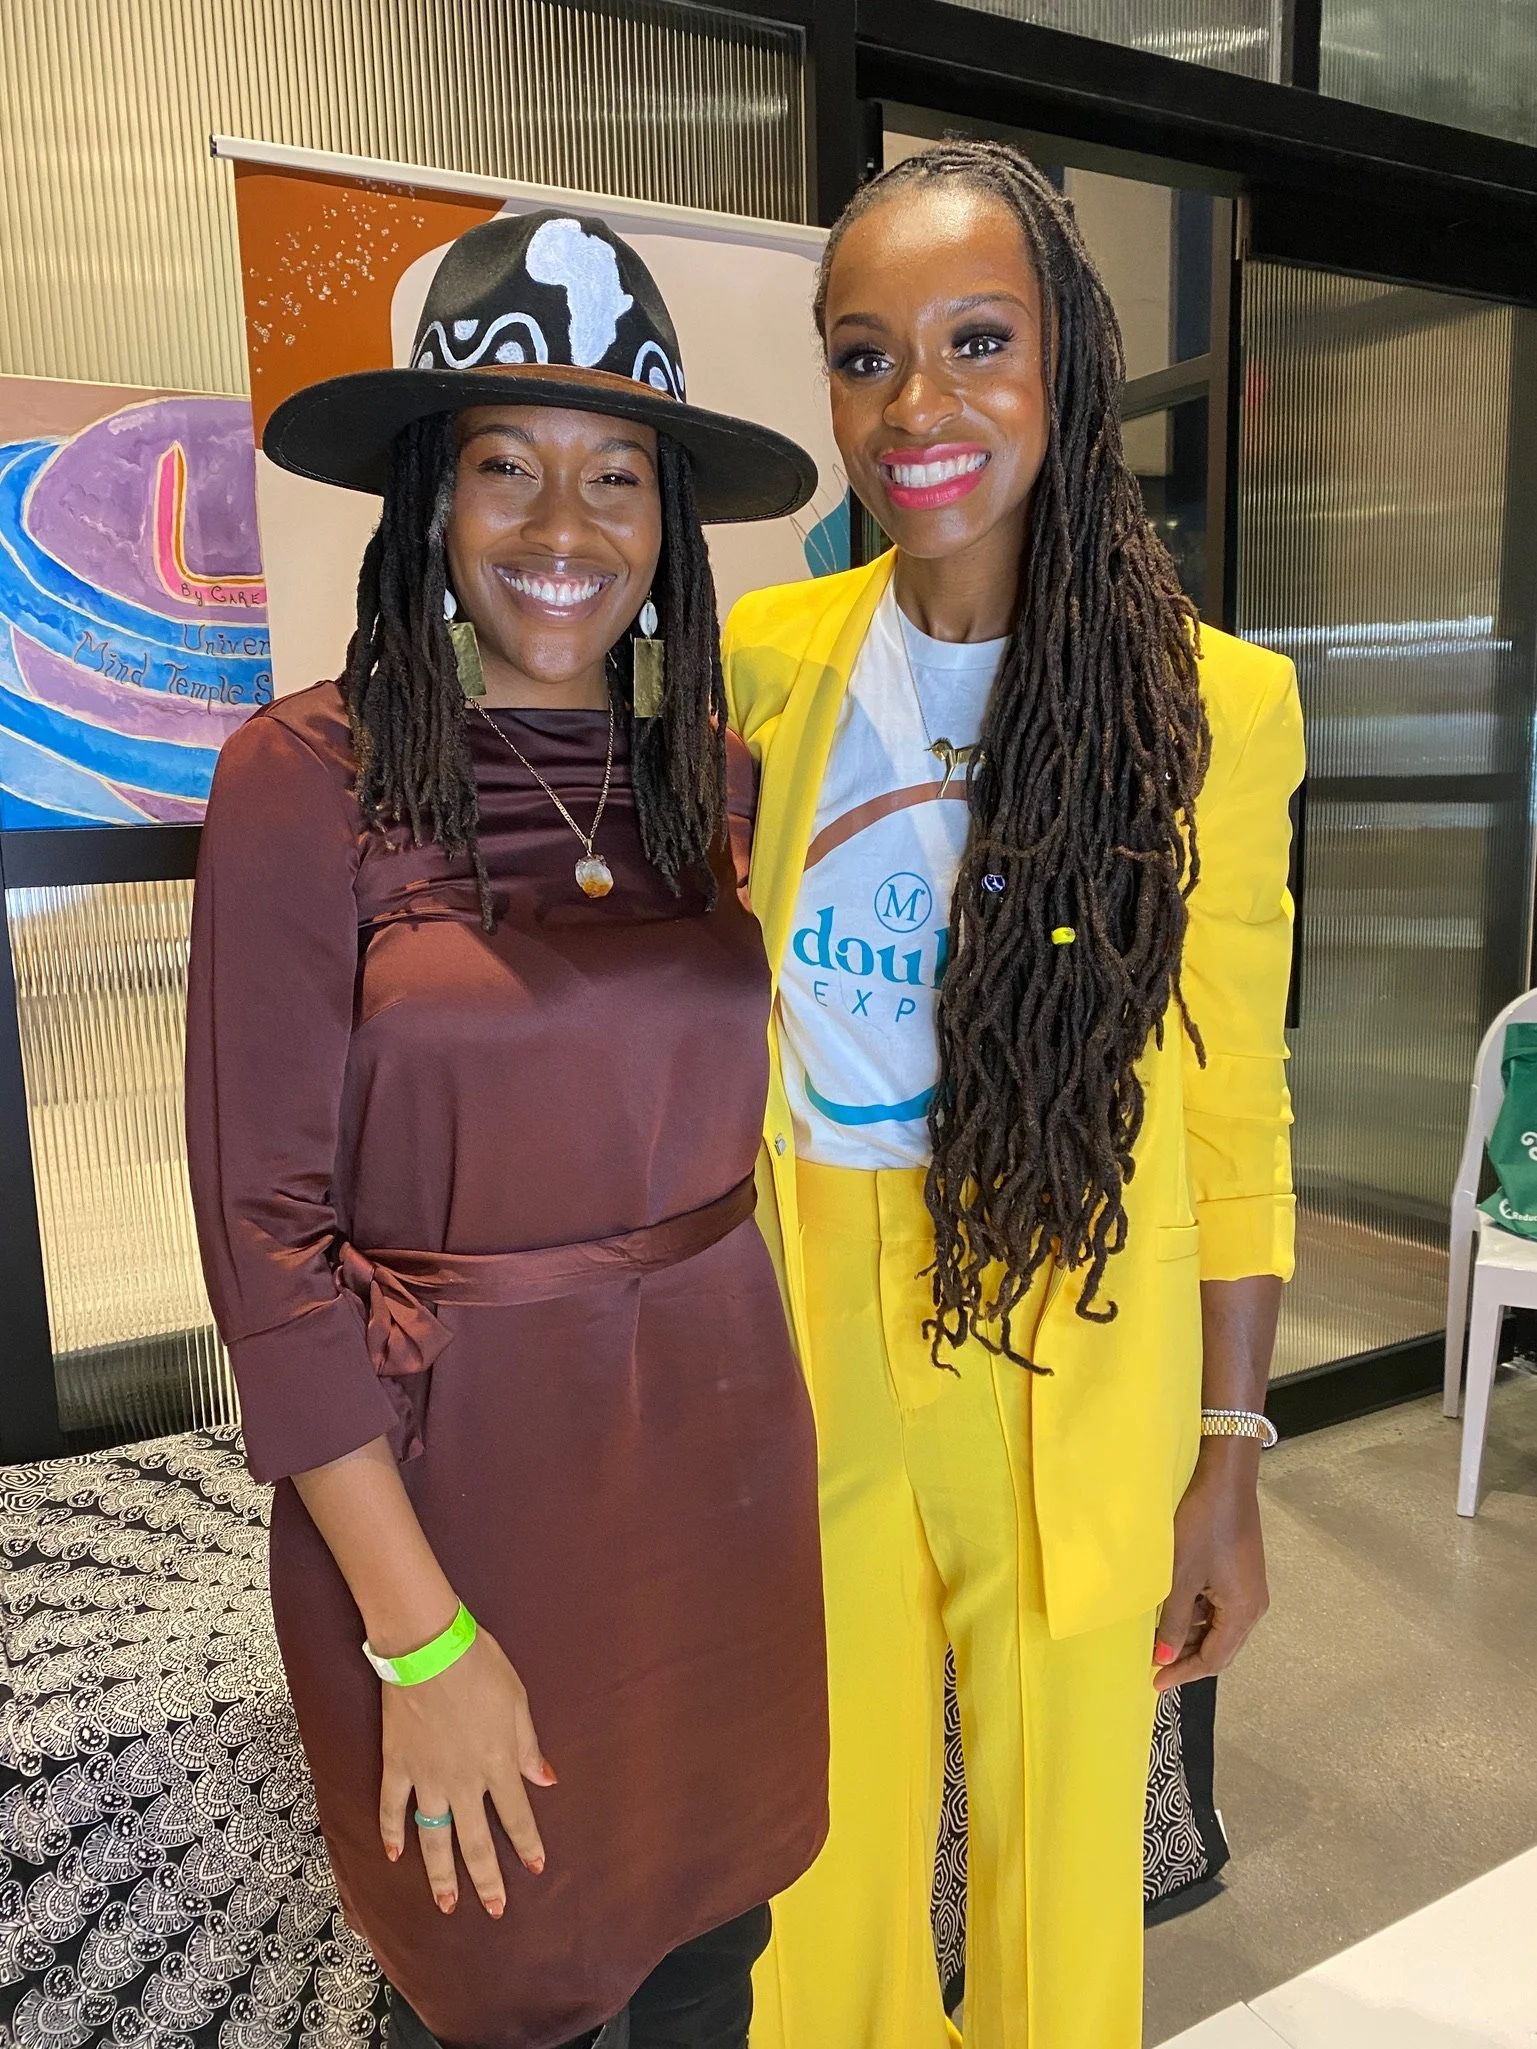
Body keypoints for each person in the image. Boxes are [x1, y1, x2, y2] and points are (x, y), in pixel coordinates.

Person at [185, 210, 828, 2049]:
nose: (567, 530)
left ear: (669, 515)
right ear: (430, 503)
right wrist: (424, 1638)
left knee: (713, 1952)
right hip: (461, 1504)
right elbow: (268, 1251)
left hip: (718, 1469)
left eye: (617, 475)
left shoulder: (708, 781)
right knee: (497, 1973)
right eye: (507, 470)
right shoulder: (307, 784)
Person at [724, 140, 1303, 2048]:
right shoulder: (762, 668)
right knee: (825, 1859)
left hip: (1074, 1326)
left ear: (1073, 358)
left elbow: (1234, 1121)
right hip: (817, 1308)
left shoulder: (1208, 708)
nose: (922, 404)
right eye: (866, 354)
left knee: (1060, 1868)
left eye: (980, 340)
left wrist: (1232, 1450)